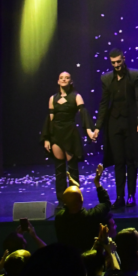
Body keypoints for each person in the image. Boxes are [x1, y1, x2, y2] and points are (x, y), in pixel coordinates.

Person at [92, 48, 138, 209]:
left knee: (130, 160)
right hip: (114, 123)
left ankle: (131, 195)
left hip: (131, 123)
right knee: (118, 161)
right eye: (113, 63)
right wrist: (98, 127)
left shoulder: (135, 75)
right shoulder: (107, 79)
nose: (116, 65)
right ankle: (119, 197)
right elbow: (104, 103)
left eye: (118, 61)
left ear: (123, 59)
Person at [41, 72, 95, 206]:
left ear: (71, 81)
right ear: (58, 81)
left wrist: (89, 130)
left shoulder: (76, 96)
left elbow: (83, 114)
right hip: (56, 134)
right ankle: (62, 200)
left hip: (70, 134)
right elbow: (50, 119)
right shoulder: (53, 98)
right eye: (61, 78)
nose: (64, 79)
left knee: (72, 169)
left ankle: (75, 199)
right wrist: (47, 138)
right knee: (59, 170)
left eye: (67, 78)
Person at [54, 164, 112, 254]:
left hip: (68, 258)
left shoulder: (59, 218)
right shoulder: (91, 216)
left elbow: (68, 203)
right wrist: (97, 183)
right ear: (82, 200)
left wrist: (74, 188)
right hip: (90, 259)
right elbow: (106, 203)